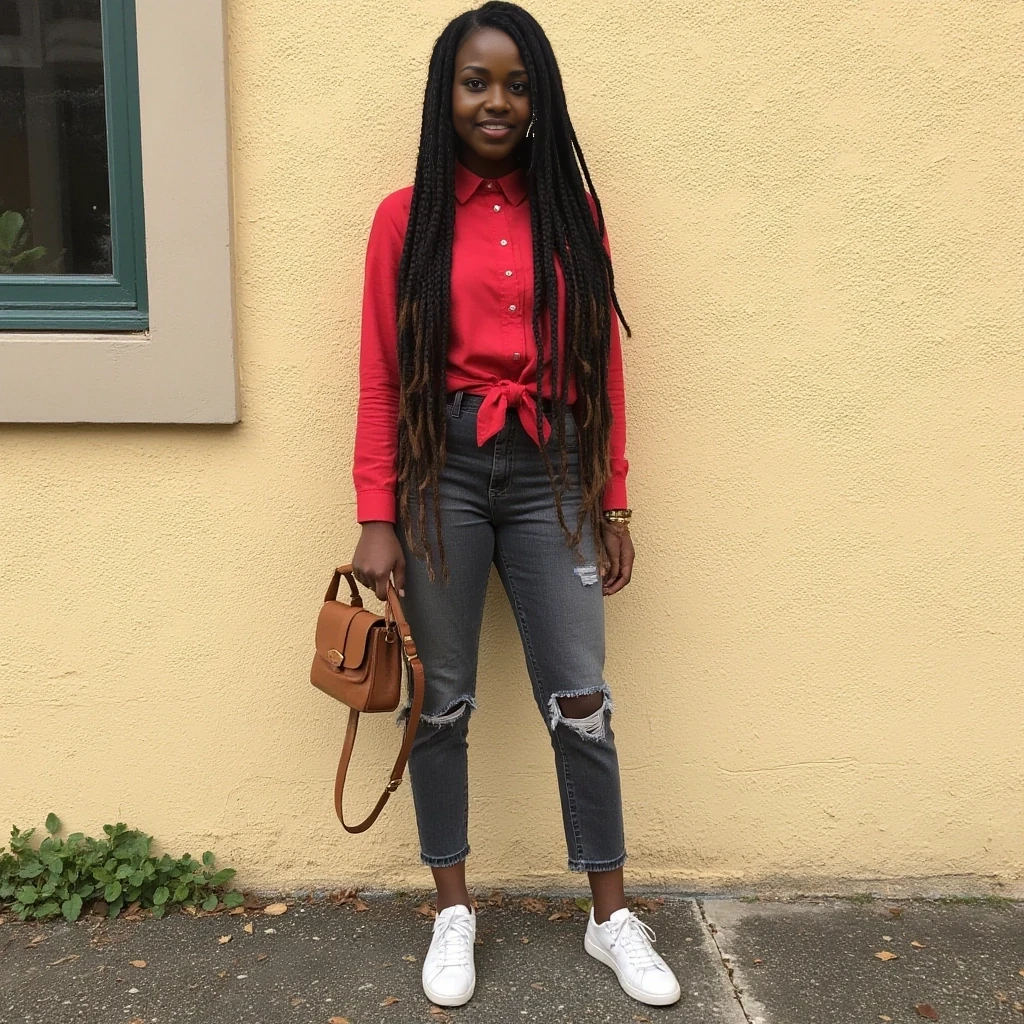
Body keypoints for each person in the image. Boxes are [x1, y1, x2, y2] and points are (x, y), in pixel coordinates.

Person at [350, 1, 680, 1009]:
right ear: (445, 97)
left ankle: (607, 916)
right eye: (476, 81)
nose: (497, 100)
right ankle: (453, 908)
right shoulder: (405, 219)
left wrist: (612, 499)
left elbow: (604, 368)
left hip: (553, 471)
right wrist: (375, 510)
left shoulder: (573, 216)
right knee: (438, 703)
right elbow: (375, 371)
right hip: (439, 468)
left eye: (516, 83)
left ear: (540, 100)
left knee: (580, 698)